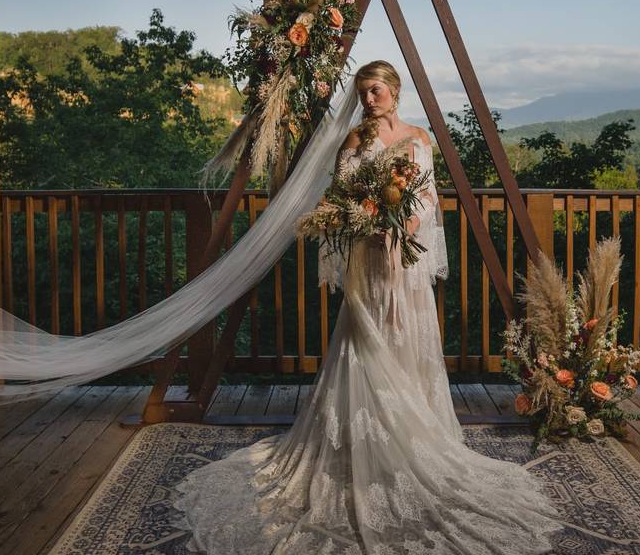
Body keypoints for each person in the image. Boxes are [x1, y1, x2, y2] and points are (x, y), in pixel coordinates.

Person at [171, 60, 570, 554]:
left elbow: (425, 198)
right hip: (367, 259)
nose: (369, 99)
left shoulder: (418, 138)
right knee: (364, 341)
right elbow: (340, 198)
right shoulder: (354, 143)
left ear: (395, 91)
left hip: (402, 259)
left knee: (407, 337)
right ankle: (362, 446)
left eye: (376, 90)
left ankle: (412, 442)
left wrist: (403, 228)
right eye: (363, 92)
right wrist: (363, 224)